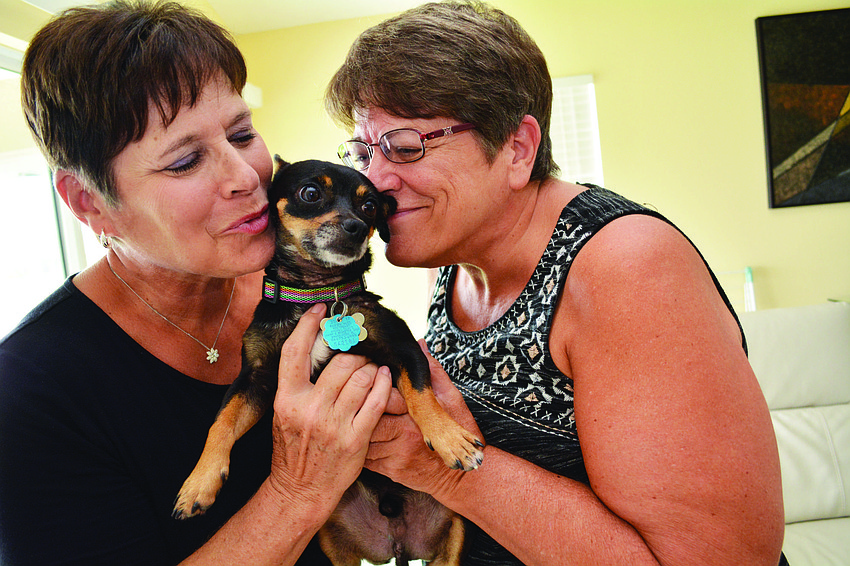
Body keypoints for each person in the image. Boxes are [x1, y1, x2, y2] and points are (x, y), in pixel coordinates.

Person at [325, 1, 788, 565]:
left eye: (405, 147)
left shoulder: (626, 265)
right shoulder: (455, 257)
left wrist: (439, 469)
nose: (373, 181)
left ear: (517, 148)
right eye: (363, 151)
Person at [0, 2, 393, 564]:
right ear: (90, 202)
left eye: (241, 133)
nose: (245, 177)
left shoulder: (301, 281)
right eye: (185, 162)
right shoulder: (31, 392)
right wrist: (297, 493)